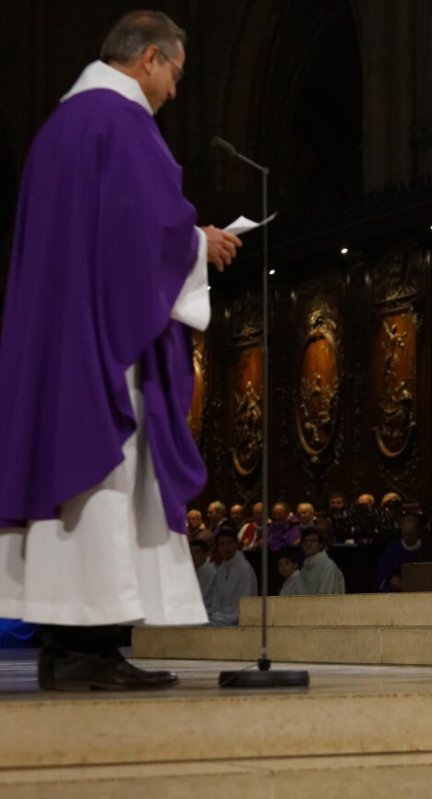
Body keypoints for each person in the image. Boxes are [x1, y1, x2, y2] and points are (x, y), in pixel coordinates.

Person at [0, 11, 242, 689]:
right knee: (102, 483)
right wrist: (200, 242)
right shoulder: (120, 120)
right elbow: (143, 231)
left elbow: (106, 231)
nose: (174, 92)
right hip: (104, 348)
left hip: (60, 339)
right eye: (176, 75)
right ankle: (90, 652)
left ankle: (64, 648)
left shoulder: (57, 130)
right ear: (151, 59)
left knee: (71, 485)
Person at [208, 529, 257, 627]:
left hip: (238, 622)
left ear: (236, 544)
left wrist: (219, 618)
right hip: (220, 618)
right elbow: (216, 600)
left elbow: (244, 608)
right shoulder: (221, 569)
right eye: (222, 544)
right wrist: (215, 615)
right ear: (218, 548)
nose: (226, 547)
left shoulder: (245, 570)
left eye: (229, 543)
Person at [376, 513, 425, 592]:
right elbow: (383, 573)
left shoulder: (427, 549)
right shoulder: (392, 549)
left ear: (417, 532)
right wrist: (391, 579)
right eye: (404, 534)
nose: (406, 538)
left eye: (410, 535)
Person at [298, 529, 346, 595]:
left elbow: (326, 596)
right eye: (305, 541)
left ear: (320, 545)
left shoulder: (328, 567)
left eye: (313, 541)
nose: (308, 544)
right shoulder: (304, 568)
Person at [189, 538, 217, 618]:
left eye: (196, 552)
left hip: (208, 611)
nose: (193, 556)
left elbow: (204, 597)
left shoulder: (211, 572)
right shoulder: (192, 570)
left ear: (205, 555)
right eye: (191, 552)